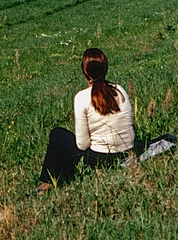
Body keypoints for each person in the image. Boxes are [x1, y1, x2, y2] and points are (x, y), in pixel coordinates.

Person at [35, 48, 134, 193]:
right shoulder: (119, 89)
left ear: (84, 72)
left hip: (101, 159)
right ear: (105, 68)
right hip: (127, 152)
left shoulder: (82, 98)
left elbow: (82, 145)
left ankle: (50, 181)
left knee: (57, 134)